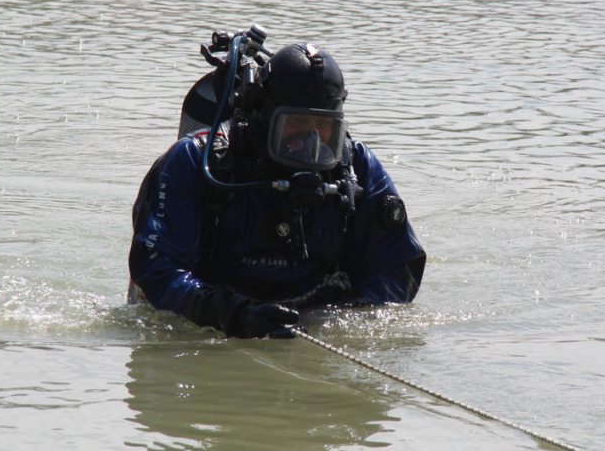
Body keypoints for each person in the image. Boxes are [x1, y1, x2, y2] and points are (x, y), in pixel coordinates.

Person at [128, 31, 426, 339]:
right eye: (295, 124)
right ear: (263, 115)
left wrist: (333, 322)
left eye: (324, 126)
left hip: (313, 317)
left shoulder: (356, 167)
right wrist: (231, 315)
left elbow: (396, 269)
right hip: (212, 318)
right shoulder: (197, 162)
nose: (310, 141)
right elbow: (158, 269)